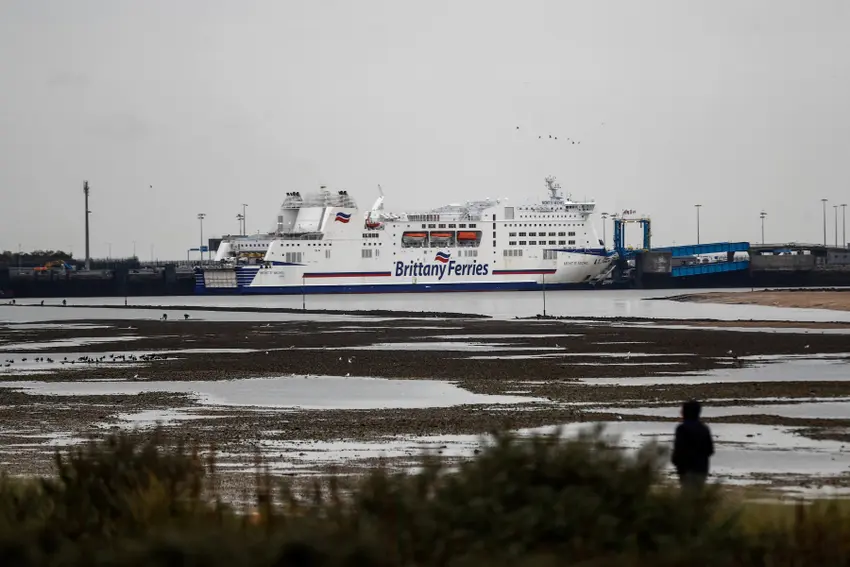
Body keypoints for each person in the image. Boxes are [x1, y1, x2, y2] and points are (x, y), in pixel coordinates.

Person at [671, 399, 714, 491]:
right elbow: (710, 450)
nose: (680, 412)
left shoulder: (682, 429)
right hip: (702, 468)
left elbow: (679, 449)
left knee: (687, 495)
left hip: (687, 469)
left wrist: (676, 462)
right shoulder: (704, 429)